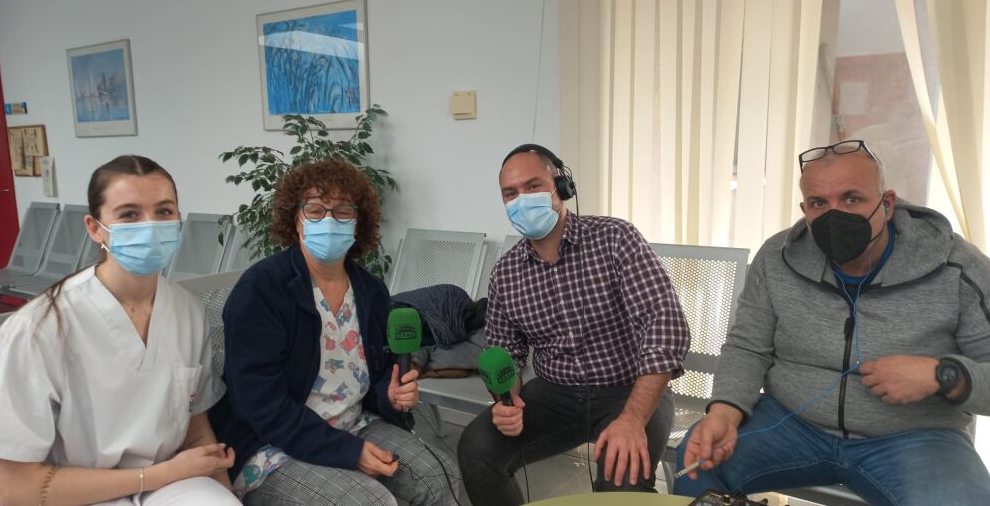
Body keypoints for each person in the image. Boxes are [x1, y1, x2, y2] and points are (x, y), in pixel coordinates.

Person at [676, 140, 990, 505]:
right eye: (819, 203)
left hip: (915, 436)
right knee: (697, 459)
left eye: (852, 198)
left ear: (886, 204)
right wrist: (725, 411)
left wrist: (942, 375)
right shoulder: (777, 257)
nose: (833, 214)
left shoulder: (959, 268)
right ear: (804, 209)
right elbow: (747, 346)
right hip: (791, 424)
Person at [209, 157, 459, 505]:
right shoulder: (263, 289)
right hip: (271, 443)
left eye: (343, 211)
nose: (328, 220)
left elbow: (374, 374)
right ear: (295, 220)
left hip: (354, 422)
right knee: (369, 503)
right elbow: (260, 404)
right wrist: (346, 451)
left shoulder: (370, 290)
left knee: (437, 475)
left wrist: (389, 393)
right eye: (314, 210)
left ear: (358, 222)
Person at [0, 155, 239, 506]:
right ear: (94, 228)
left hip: (169, 485)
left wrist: (224, 489)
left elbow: (196, 430)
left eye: (164, 212)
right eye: (129, 214)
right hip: (71, 491)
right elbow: (15, 490)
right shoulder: (38, 327)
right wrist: (159, 475)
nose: (150, 225)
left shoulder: (187, 311)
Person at [457, 144, 690, 505]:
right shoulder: (505, 273)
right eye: (510, 193)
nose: (522, 199)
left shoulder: (615, 239)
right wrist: (507, 401)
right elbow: (504, 351)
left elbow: (665, 323)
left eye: (533, 186)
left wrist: (631, 419)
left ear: (561, 187)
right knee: (476, 449)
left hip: (628, 389)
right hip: (555, 393)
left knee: (621, 483)